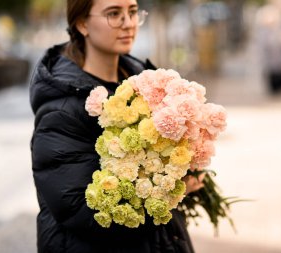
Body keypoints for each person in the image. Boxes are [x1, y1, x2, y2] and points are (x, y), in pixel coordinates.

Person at [29, 0, 204, 252]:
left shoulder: (144, 85)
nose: (128, 23)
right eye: (114, 14)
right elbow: (81, 212)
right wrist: (173, 191)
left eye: (132, 12)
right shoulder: (62, 110)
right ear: (82, 24)